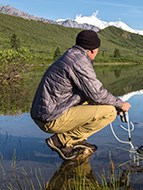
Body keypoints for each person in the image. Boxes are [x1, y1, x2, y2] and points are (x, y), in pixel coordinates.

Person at [30, 30, 131, 160]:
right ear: (93, 50)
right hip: (51, 118)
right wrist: (120, 104)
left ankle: (76, 141)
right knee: (109, 112)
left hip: (45, 114)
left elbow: (91, 95)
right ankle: (62, 140)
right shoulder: (79, 61)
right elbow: (97, 93)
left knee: (91, 103)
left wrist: (111, 102)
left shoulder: (72, 55)